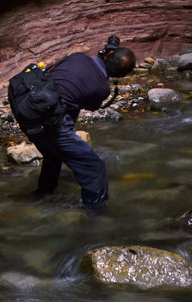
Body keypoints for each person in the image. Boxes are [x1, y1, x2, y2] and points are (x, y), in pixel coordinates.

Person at [23, 43, 136, 214]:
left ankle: (42, 197)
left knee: (53, 155)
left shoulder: (77, 56)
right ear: (120, 75)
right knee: (94, 169)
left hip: (28, 114)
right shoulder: (101, 88)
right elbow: (90, 105)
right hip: (53, 128)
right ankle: (96, 214)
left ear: (108, 53)